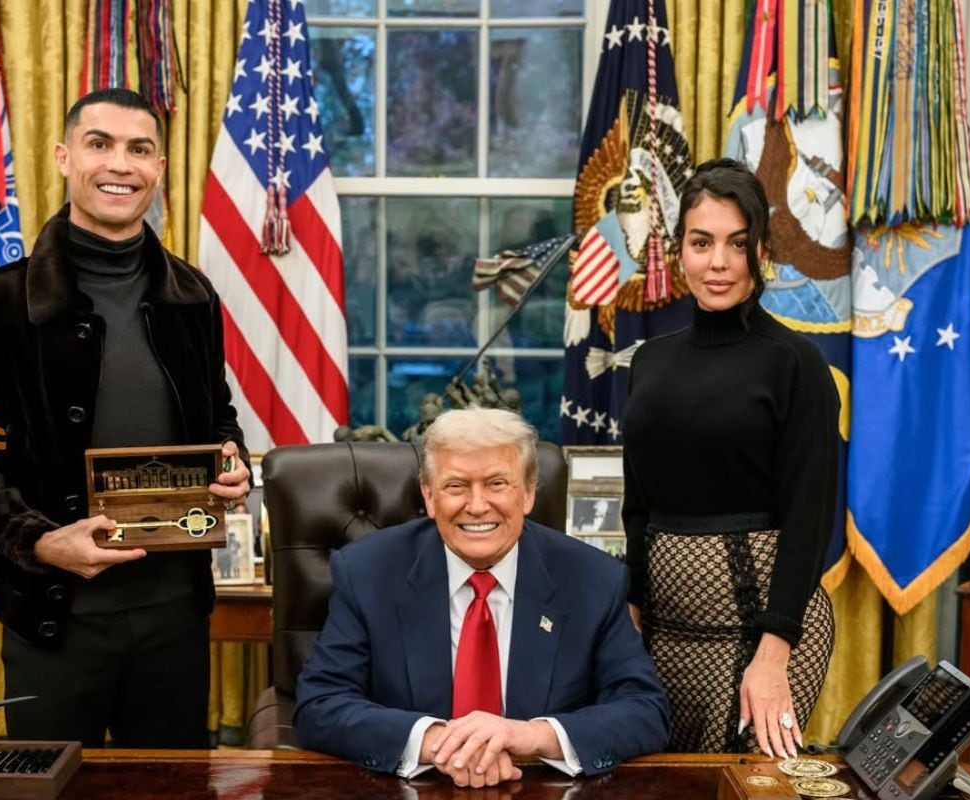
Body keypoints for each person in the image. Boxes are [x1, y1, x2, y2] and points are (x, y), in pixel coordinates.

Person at [0, 88, 251, 748]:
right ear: (64, 157)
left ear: (159, 168)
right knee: (53, 788)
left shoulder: (192, 297)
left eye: (139, 149)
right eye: (100, 144)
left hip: (175, 619)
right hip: (52, 617)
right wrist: (40, 542)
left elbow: (217, 415)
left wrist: (230, 458)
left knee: (169, 791)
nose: (120, 164)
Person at [295, 408, 669, 788]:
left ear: (528, 493)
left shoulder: (592, 580)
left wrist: (531, 735)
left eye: (496, 484)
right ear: (429, 496)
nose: (476, 506)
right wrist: (436, 742)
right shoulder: (368, 573)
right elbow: (320, 703)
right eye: (456, 486)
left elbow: (644, 710)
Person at [620, 158, 838, 758]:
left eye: (738, 244)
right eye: (702, 242)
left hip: (767, 633)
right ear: (679, 251)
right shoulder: (649, 362)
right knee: (651, 785)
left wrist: (774, 651)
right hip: (658, 633)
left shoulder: (795, 363)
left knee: (740, 786)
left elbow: (810, 515)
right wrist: (628, 614)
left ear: (761, 251)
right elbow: (637, 508)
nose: (718, 263)